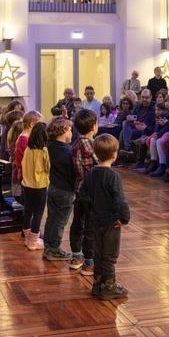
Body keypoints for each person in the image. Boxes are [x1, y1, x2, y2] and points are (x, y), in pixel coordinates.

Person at [78, 134, 130, 300]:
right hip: (111, 222)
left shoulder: (92, 172)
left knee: (98, 252)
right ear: (115, 154)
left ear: (95, 153)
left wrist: (93, 208)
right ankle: (109, 286)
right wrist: (124, 218)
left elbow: (82, 194)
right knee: (109, 255)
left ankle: (98, 283)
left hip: (95, 220)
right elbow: (120, 200)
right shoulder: (114, 176)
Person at [69, 109, 99, 274]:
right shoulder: (92, 145)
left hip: (78, 190)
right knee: (90, 227)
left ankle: (76, 256)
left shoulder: (74, 143)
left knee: (77, 223)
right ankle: (89, 262)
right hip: (91, 191)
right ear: (94, 126)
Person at [43, 118, 75, 261]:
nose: (71, 133)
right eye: (70, 129)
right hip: (65, 190)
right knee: (60, 222)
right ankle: (54, 249)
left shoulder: (49, 145)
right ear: (63, 130)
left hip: (52, 187)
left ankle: (48, 247)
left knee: (51, 218)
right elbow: (72, 173)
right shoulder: (67, 151)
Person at [21, 122, 50, 250]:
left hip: (26, 185)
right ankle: (33, 241)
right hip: (40, 186)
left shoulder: (28, 149)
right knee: (38, 213)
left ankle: (27, 238)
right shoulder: (44, 151)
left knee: (27, 211)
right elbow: (48, 167)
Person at [14, 111, 43, 199]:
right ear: (31, 124)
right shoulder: (25, 140)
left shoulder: (25, 138)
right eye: (40, 125)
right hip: (28, 178)